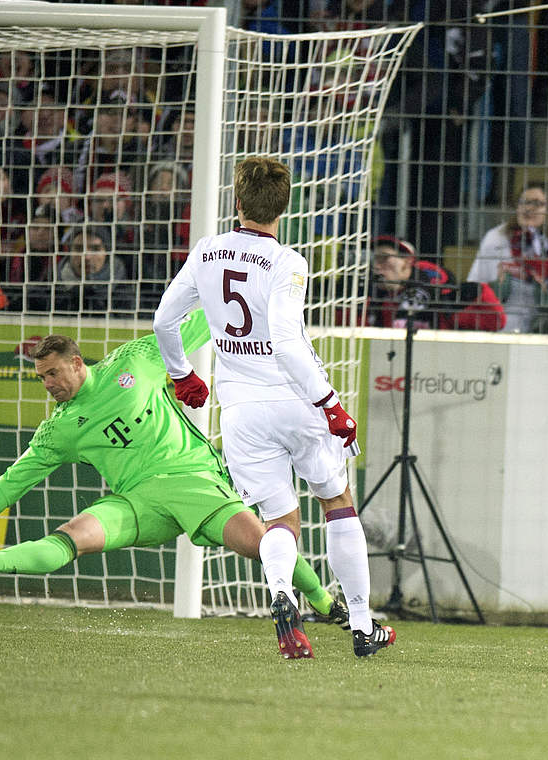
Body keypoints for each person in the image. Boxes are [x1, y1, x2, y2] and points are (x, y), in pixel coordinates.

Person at [0, 320, 351, 659]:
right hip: (138, 502)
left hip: (193, 481)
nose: (48, 384)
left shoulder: (134, 361)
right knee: (73, 536)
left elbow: (199, 322)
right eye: (41, 377)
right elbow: (16, 479)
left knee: (260, 544)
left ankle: (323, 602)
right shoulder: (61, 428)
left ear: (77, 363)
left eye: (53, 374)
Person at [150, 156, 394, 658]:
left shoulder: (207, 251)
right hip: (294, 399)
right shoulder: (287, 261)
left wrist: (182, 374)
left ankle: (282, 592)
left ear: (236, 203)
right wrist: (330, 405)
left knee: (279, 518)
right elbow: (286, 343)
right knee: (337, 499)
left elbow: (163, 321)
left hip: (239, 410)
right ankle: (363, 626)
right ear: (283, 208)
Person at [467, 180, 548, 333]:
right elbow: (476, 284)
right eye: (523, 202)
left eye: (537, 203)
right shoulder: (496, 237)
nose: (528, 208)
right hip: (503, 324)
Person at [364, 235, 504, 331]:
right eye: (374, 260)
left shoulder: (437, 291)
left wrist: (478, 291)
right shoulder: (373, 296)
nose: (376, 266)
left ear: (407, 262)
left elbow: (497, 321)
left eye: (383, 258)